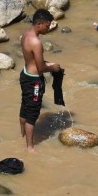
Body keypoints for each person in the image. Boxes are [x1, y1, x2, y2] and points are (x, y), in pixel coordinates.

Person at [20, 9, 64, 153]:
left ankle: (22, 135)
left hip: (25, 74)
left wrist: (48, 64)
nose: (49, 27)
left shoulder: (26, 34)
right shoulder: (36, 42)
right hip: (34, 82)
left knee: (24, 108)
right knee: (32, 115)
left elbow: (32, 61)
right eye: (47, 25)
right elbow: (40, 67)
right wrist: (54, 68)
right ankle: (30, 148)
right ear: (39, 24)